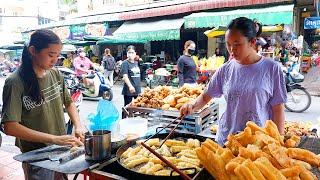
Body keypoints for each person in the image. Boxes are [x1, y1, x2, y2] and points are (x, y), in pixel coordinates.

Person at [180, 17, 287, 145]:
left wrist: (279, 142)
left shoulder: (272, 69)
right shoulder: (225, 70)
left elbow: (278, 109)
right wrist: (191, 105)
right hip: (227, 141)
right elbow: (205, 97)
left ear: (252, 42)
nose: (231, 49)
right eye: (228, 44)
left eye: (237, 44)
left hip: (258, 143)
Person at [1, 29, 84, 180]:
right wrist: (54, 139)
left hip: (61, 148)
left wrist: (78, 126)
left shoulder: (55, 74)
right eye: (51, 55)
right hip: (37, 155)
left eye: (58, 56)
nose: (55, 60)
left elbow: (69, 102)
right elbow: (10, 126)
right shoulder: (15, 82)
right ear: (33, 51)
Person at [120, 45, 141, 118]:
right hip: (129, 90)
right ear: (127, 53)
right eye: (129, 52)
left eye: (132, 52)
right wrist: (130, 86)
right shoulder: (125, 63)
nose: (131, 54)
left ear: (135, 53)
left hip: (137, 89)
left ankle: (134, 121)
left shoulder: (136, 63)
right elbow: (125, 76)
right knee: (127, 107)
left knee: (137, 106)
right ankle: (124, 121)